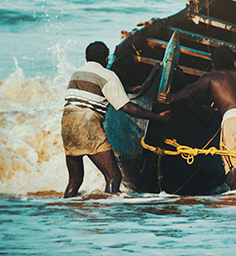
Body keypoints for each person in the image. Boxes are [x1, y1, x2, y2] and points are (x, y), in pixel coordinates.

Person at [61, 41, 170, 197]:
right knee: (114, 176)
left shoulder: (77, 73)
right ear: (106, 59)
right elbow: (126, 107)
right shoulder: (108, 75)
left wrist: (124, 89)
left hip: (68, 125)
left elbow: (95, 91)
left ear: (86, 57)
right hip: (88, 126)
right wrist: (156, 117)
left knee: (74, 181)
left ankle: (66, 210)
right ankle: (109, 213)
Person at [158, 45, 236, 191]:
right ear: (233, 62)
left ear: (213, 64)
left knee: (233, 174)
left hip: (234, 120)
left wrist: (172, 97)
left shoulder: (211, 77)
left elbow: (192, 89)